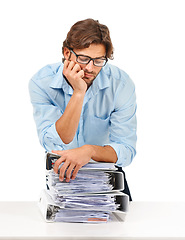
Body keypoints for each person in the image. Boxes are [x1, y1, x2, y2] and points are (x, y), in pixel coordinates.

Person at [29, 18, 137, 200]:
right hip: (63, 178)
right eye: (83, 58)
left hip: (106, 177)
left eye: (98, 60)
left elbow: (126, 150)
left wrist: (90, 151)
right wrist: (79, 92)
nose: (89, 68)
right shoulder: (42, 83)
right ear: (67, 53)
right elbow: (54, 142)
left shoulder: (120, 84)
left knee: (123, 226)